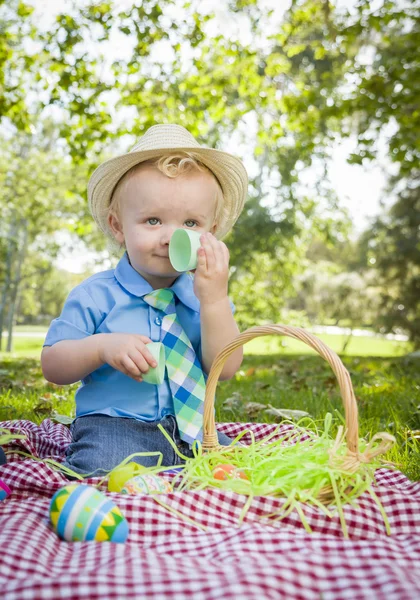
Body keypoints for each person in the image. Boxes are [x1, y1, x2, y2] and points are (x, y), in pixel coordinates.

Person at [41, 124, 248, 477]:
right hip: (116, 427)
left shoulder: (208, 296)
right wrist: (101, 348)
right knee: (100, 471)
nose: (171, 236)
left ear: (210, 233)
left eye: (191, 222)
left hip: (195, 431)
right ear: (119, 227)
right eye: (153, 220)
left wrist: (214, 301)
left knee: (245, 468)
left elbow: (225, 368)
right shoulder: (96, 295)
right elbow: (53, 365)